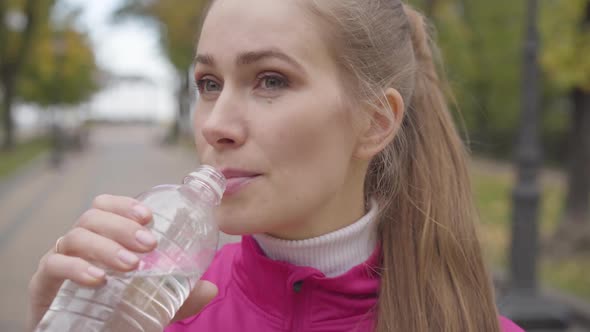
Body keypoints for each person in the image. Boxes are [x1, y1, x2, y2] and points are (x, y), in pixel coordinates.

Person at [28, 0, 525, 331]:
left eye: (270, 80)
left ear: (375, 122)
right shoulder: (163, 310)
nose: (215, 125)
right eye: (208, 83)